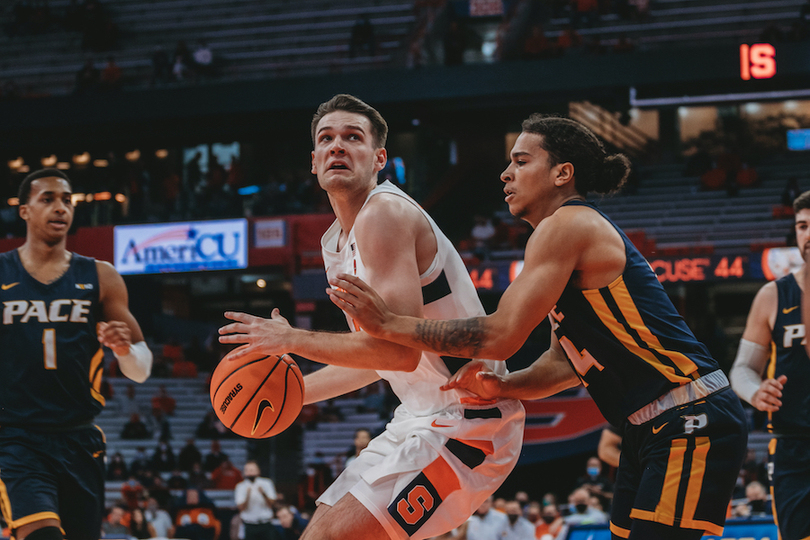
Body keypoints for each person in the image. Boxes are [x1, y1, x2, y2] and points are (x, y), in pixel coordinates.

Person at [326, 114, 748, 539]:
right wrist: (506, 387)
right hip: (648, 425)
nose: (506, 173)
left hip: (691, 412)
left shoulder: (569, 224)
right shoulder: (556, 238)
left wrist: (392, 324)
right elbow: (564, 364)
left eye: (522, 161)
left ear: (562, 173)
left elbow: (501, 335)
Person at [218, 94, 525, 540]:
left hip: (472, 422)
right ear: (313, 161)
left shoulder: (384, 213)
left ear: (380, 157)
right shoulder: (336, 241)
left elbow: (396, 353)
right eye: (326, 139)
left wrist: (289, 340)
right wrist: (287, 395)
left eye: (352, 137)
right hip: (420, 417)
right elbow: (377, 361)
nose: (337, 146)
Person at [0, 168, 152, 540]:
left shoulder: (101, 276)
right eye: (47, 199)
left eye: (67, 200)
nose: (60, 208)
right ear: (24, 211)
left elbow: (142, 369)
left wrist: (123, 350)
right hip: (15, 439)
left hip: (79, 439)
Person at [730, 190, 810, 540]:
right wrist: (755, 390)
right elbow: (742, 369)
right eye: (803, 226)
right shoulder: (774, 295)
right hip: (793, 443)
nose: (808, 234)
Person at [234, 461, 279, 540]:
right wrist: (247, 496)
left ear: (258, 471)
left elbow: (272, 503)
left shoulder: (267, 483)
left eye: (252, 470)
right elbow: (240, 508)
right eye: (247, 470)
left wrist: (263, 494)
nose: (250, 473)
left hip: (266, 523)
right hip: (250, 524)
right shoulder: (240, 486)